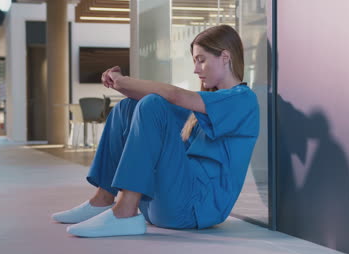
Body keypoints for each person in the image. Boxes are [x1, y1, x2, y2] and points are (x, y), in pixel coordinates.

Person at [51, 24, 260, 237]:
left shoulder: (243, 99)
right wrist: (120, 86)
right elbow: (157, 108)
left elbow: (172, 96)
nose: (196, 70)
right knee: (127, 107)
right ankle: (103, 200)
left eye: (201, 60)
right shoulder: (205, 104)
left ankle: (125, 212)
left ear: (225, 57)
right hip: (163, 204)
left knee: (152, 104)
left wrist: (126, 81)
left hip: (195, 208)